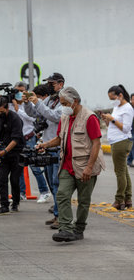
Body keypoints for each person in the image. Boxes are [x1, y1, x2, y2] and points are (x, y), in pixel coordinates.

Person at [37, 87, 105, 242]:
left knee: (83, 201)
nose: (63, 107)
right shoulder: (65, 117)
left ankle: (79, 229)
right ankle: (66, 229)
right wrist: (45, 145)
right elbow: (59, 138)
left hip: (84, 167)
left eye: (64, 103)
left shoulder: (89, 117)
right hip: (67, 166)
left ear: (74, 101)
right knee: (62, 195)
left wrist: (89, 167)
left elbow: (96, 144)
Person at [24, 72, 64, 229]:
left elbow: (55, 116)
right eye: (48, 83)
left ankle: (61, 217)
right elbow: (34, 113)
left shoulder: (63, 99)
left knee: (57, 184)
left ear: (61, 84)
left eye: (52, 84)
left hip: (57, 147)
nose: (49, 86)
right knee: (52, 184)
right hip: (48, 146)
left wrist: (38, 103)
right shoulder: (50, 99)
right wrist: (28, 102)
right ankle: (57, 215)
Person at [10, 82, 50, 202]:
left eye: (22, 91)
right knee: (19, 167)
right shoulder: (12, 104)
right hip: (18, 139)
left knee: (34, 165)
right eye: (17, 91)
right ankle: (21, 192)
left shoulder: (29, 104)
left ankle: (44, 191)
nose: (20, 93)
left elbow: (34, 118)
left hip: (29, 137)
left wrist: (18, 110)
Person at [101, 85, 134, 210]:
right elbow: (112, 125)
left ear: (120, 96)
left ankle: (119, 199)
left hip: (121, 141)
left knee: (119, 172)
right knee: (123, 171)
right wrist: (107, 120)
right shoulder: (117, 106)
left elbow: (125, 128)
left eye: (113, 98)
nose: (112, 101)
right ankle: (128, 199)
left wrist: (112, 119)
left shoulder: (128, 108)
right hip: (115, 140)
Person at [0, 96, 25, 215]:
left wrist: (5, 151)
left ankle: (15, 202)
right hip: (3, 152)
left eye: (1, 111)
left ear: (7, 108)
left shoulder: (15, 118)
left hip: (17, 152)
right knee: (2, 179)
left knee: (14, 180)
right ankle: (4, 205)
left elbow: (16, 139)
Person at [126, 93, 134, 167]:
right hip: (131, 130)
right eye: (133, 99)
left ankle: (129, 160)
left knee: (132, 146)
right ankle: (129, 160)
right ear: (131, 100)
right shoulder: (129, 108)